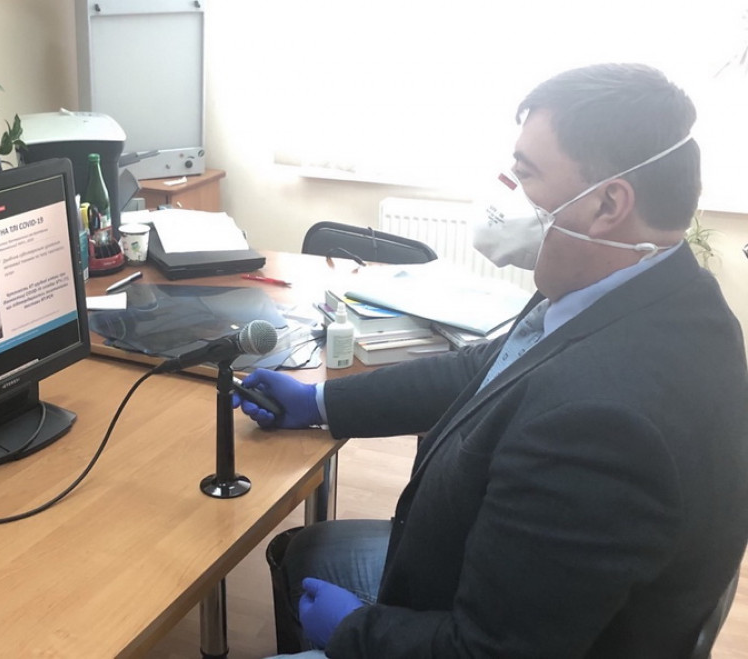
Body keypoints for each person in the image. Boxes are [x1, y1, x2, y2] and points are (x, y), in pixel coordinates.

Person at [234, 63, 748, 658]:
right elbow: (486, 368)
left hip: (496, 628)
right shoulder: (650, 289)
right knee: (302, 552)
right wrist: (319, 401)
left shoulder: (602, 425)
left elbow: (493, 653)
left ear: (608, 203)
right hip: (499, 573)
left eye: (525, 174)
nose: (508, 194)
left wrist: (354, 633)